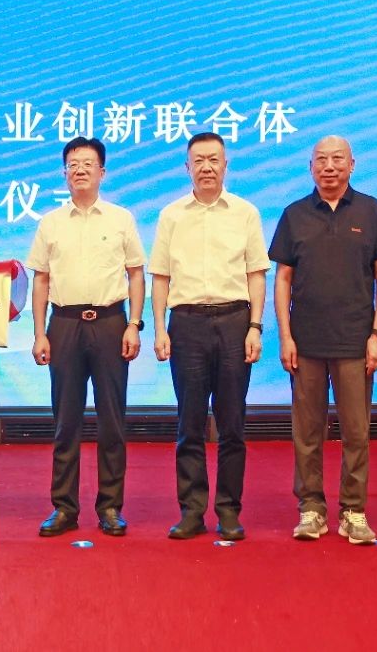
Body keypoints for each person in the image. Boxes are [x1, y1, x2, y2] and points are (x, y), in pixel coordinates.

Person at [269, 136, 377, 545]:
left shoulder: (372, 211)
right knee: (307, 432)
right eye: (321, 160)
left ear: (352, 164)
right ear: (310, 167)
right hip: (306, 342)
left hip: (355, 342)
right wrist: (285, 336)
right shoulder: (294, 215)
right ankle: (310, 508)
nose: (329, 166)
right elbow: (283, 279)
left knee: (356, 432)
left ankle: (353, 511)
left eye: (337, 159)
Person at [150, 131, 269, 541]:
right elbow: (160, 277)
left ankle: (229, 511)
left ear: (225, 165)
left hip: (235, 320)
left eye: (214, 159)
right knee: (191, 422)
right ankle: (192, 511)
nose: (206, 167)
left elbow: (256, 274)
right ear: (187, 167)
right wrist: (160, 328)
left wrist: (255, 327)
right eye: (198, 160)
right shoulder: (171, 215)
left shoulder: (245, 213)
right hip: (186, 324)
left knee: (233, 423)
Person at [27, 137, 145, 538]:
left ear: (102, 172)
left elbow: (136, 274)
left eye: (87, 163)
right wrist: (39, 333)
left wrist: (134, 324)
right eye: (73, 164)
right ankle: (64, 507)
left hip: (111, 322)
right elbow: (40, 280)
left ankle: (110, 507)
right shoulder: (50, 223)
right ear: (64, 173)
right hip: (64, 324)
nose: (79, 169)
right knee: (66, 421)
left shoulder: (120, 219)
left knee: (112, 420)